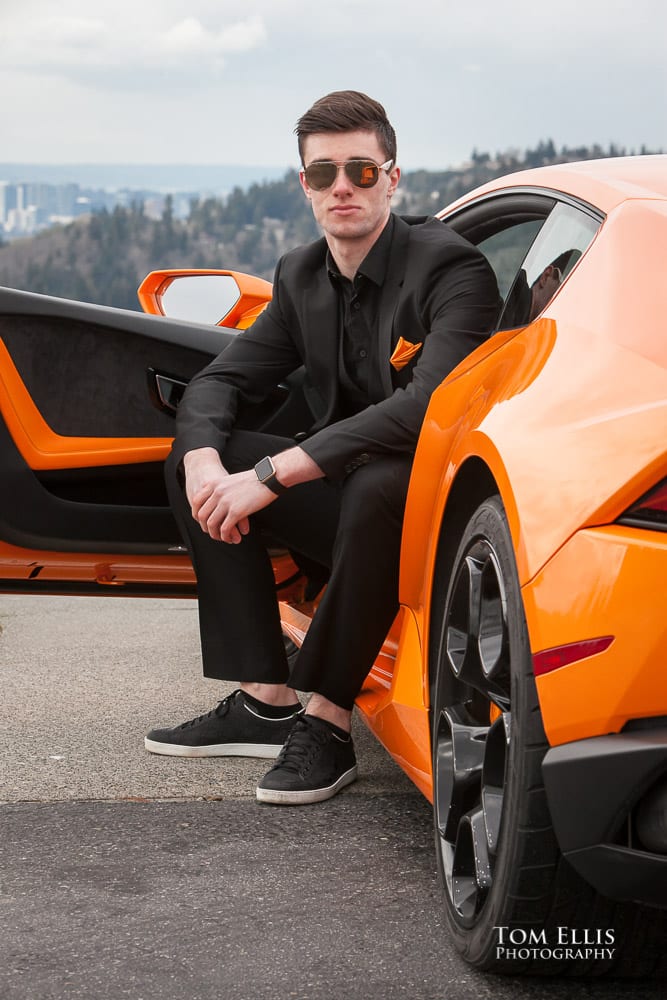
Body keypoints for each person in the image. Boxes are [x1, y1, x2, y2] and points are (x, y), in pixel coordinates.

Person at [145, 90, 501, 805]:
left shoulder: (451, 271)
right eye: (322, 174)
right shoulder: (301, 275)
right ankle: (265, 699)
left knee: (376, 486)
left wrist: (272, 474)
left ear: (392, 179)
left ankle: (328, 719)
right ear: (304, 185)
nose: (342, 187)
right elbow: (220, 381)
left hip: (434, 508)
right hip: (346, 497)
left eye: (361, 171)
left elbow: (423, 409)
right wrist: (207, 461)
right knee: (196, 462)